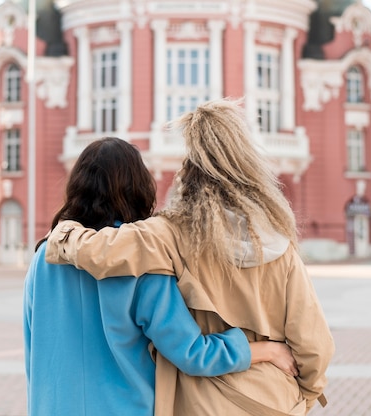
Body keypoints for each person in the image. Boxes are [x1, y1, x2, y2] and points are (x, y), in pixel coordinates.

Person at [46, 99, 335, 415]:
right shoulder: (280, 245)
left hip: (203, 403)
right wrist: (304, 395)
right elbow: (313, 343)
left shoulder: (168, 233)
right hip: (274, 398)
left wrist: (64, 231)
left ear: (189, 173)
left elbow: (98, 252)